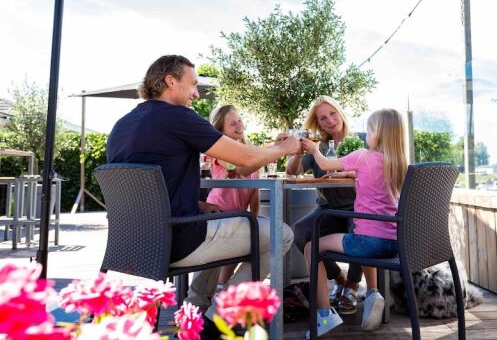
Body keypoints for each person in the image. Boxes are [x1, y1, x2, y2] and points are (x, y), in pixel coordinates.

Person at [106, 55, 298, 321]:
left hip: (134, 245)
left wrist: (196, 203)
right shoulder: (179, 117)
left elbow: (146, 191)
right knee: (282, 233)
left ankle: (194, 309)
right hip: (178, 242)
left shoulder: (121, 126)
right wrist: (283, 149)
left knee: (214, 218)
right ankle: (219, 316)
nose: (196, 93)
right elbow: (246, 159)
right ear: (170, 81)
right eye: (193, 84)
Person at [300, 108, 408, 338]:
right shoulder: (398, 163)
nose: (365, 134)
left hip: (367, 243)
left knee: (312, 247)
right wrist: (350, 175)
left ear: (377, 133)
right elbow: (369, 176)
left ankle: (324, 316)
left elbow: (327, 165)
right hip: (394, 244)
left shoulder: (362, 156)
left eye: (369, 129)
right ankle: (371, 292)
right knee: (347, 234)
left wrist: (314, 149)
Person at [285, 96, 363, 315]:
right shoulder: (318, 146)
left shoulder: (359, 142)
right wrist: (298, 150)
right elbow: (293, 172)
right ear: (318, 124)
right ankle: (338, 277)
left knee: (361, 228)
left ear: (340, 112)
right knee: (300, 231)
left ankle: (353, 284)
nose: (329, 120)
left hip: (357, 207)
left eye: (332, 113)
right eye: (323, 118)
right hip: (327, 208)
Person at [206, 104, 262, 287]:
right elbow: (236, 168)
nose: (239, 125)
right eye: (232, 123)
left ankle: (224, 287)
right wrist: (270, 152)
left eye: (240, 120)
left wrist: (254, 216)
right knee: (239, 248)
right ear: (221, 129)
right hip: (219, 211)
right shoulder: (218, 150)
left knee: (251, 242)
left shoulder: (250, 152)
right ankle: (223, 287)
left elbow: (255, 191)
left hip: (239, 214)